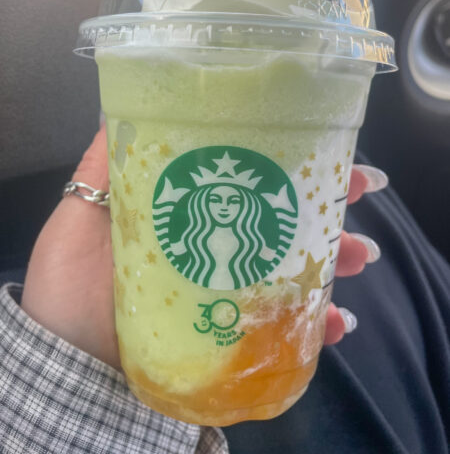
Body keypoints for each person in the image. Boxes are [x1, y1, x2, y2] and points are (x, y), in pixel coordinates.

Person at [0, 126, 448, 453]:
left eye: (234, 198)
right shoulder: (194, 242)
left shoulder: (253, 241)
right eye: (215, 197)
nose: (224, 203)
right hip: (147, 368)